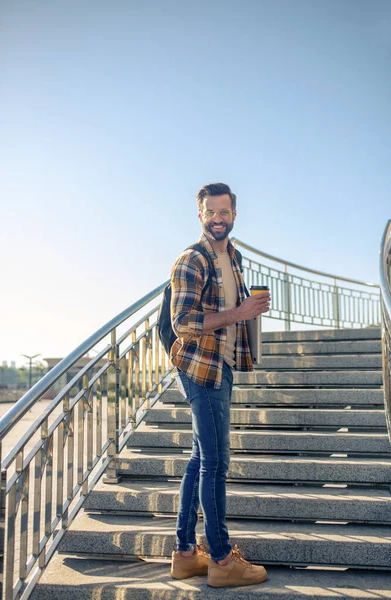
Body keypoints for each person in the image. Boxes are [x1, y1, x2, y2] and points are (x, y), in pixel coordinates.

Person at [169, 183, 271, 588]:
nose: (218, 218)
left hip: (222, 364)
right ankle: (223, 559)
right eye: (210, 212)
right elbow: (183, 323)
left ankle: (184, 554)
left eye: (224, 211)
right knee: (216, 463)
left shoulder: (234, 257)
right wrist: (239, 311)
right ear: (200, 216)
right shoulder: (190, 260)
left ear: (234, 214)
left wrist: (251, 312)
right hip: (201, 368)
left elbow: (233, 311)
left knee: (199, 460)